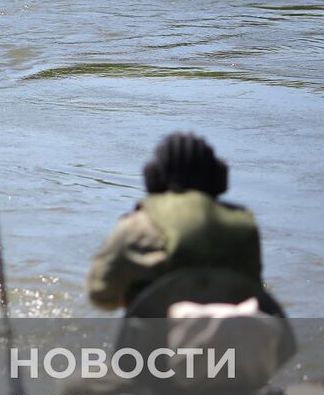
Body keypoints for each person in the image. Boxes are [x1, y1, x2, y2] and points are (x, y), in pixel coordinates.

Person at [86, 132, 262, 311]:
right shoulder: (245, 227)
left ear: (152, 177)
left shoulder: (136, 227)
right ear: (219, 178)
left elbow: (100, 294)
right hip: (234, 335)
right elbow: (254, 292)